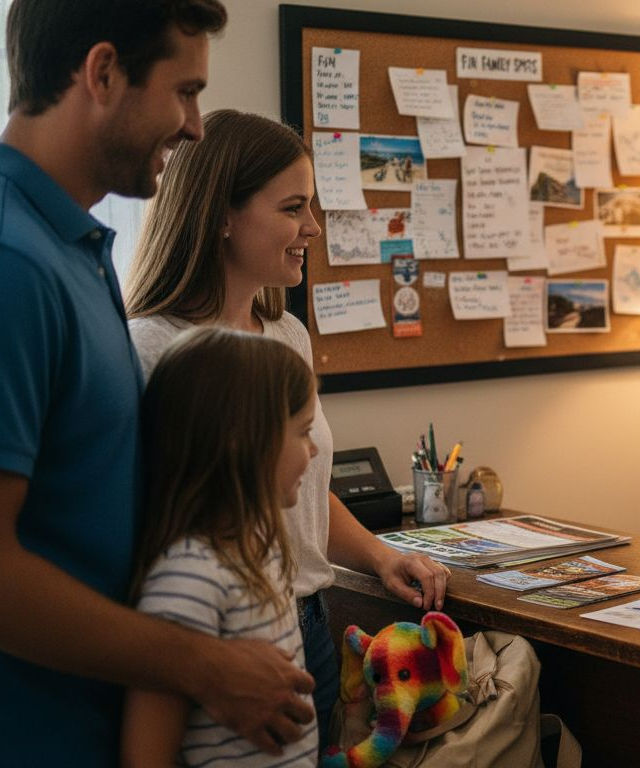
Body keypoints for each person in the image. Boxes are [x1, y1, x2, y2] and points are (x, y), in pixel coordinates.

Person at [0, 3, 314, 766]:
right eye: (184, 91)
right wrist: (203, 663)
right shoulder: (5, 259)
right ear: (102, 73)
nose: (196, 126)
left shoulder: (72, 242)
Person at [124, 108, 451, 750]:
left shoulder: (288, 336)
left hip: (308, 623)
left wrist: (383, 556)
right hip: (214, 639)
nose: (313, 227)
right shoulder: (148, 350)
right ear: (220, 214)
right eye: (293, 207)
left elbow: (300, 484)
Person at [123, 328, 320, 767]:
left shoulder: (262, 550)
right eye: (303, 432)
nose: (314, 449)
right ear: (244, 441)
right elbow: (146, 755)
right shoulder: (190, 577)